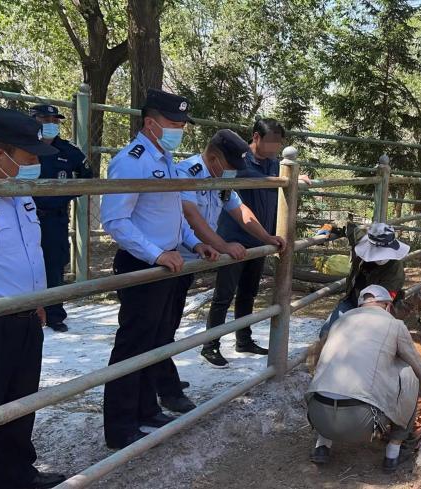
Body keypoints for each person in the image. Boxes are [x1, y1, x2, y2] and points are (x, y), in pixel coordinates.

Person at [100, 88, 218, 449]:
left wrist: (193, 243)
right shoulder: (130, 161)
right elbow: (115, 220)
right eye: (173, 122)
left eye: (182, 123)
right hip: (143, 264)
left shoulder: (166, 159)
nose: (179, 128)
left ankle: (146, 408)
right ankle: (120, 425)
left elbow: (171, 216)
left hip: (167, 262)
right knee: (133, 344)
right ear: (150, 123)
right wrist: (155, 254)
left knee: (155, 341)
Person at [156, 129, 286, 412]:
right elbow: (191, 215)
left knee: (167, 325)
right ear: (214, 158)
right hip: (166, 259)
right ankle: (163, 386)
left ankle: (161, 380)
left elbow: (241, 211)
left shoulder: (220, 178)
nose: (233, 172)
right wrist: (223, 244)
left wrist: (267, 237)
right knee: (158, 326)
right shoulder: (188, 173)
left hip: (186, 262)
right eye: (230, 166)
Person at [0, 107, 66, 489]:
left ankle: (15, 474)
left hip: (27, 317)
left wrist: (39, 300)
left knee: (20, 403)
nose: (37, 164)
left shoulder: (20, 194)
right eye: (29, 157)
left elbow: (30, 252)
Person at [306, 285, 421, 472]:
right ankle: (393, 453)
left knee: (330, 369)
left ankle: (322, 445)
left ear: (361, 305)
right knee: (410, 373)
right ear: (388, 306)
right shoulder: (395, 325)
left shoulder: (340, 321)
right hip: (362, 422)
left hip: (318, 417)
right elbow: (418, 365)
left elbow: (317, 360)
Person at [201, 118, 291, 365]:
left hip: (261, 237)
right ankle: (210, 345)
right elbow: (236, 183)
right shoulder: (239, 160)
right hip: (234, 237)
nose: (275, 147)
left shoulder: (273, 163)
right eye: (271, 141)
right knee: (224, 293)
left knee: (248, 292)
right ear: (256, 137)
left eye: (279, 142)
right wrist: (282, 180)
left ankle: (244, 339)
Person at [30, 104, 93, 333]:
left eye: (55, 120)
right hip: (23, 217)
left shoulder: (67, 151)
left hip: (54, 219)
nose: (51, 124)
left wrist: (64, 194)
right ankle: (22, 311)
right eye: (44, 119)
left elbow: (87, 177)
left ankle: (55, 314)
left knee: (54, 266)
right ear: (33, 120)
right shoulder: (21, 147)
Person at [317, 221, 409, 338]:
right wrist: (331, 227)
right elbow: (350, 228)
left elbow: (380, 304)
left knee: (359, 338)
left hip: (375, 310)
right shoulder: (362, 239)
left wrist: (359, 321)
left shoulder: (395, 272)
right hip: (352, 299)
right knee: (326, 333)